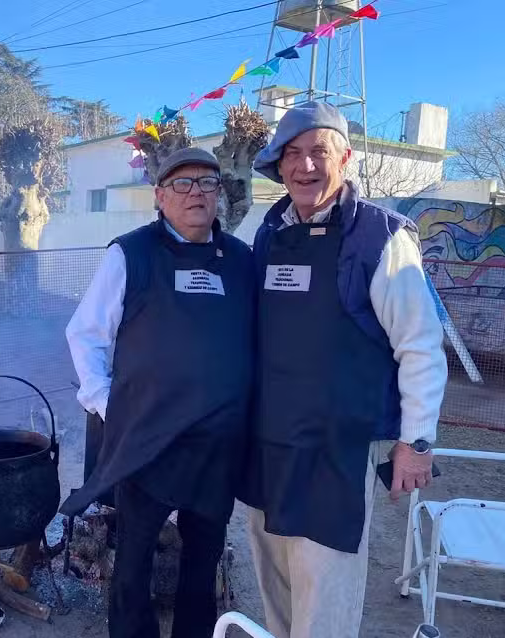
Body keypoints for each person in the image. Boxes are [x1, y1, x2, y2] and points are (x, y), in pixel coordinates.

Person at [240, 101, 448, 638]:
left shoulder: (380, 238)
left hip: (337, 451)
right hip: (267, 443)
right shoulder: (269, 232)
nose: (305, 166)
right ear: (278, 166)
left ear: (346, 158)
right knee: (276, 582)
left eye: (318, 152)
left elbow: (421, 346)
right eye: (292, 154)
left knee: (325, 595)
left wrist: (416, 442)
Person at [61, 147, 257, 638]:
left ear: (221, 196)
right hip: (147, 440)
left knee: (202, 562)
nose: (196, 193)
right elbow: (85, 335)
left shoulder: (241, 261)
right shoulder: (131, 253)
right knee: (133, 563)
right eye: (182, 184)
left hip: (217, 445)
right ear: (159, 196)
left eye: (207, 183)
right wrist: (107, 403)